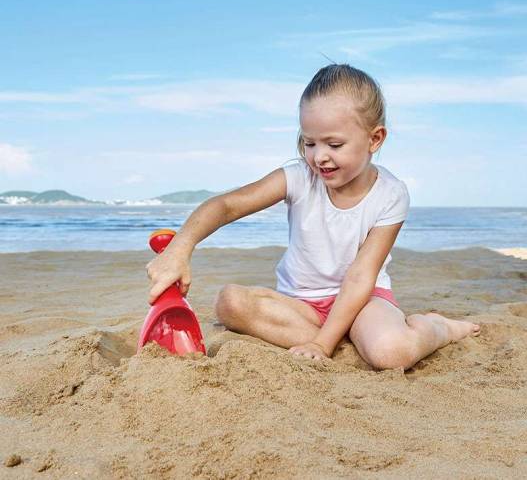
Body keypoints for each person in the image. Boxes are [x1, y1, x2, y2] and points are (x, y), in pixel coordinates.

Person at [145, 64, 481, 370]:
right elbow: (227, 205)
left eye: (334, 144)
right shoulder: (298, 177)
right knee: (229, 302)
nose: (320, 157)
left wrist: (321, 344)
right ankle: (346, 337)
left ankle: (439, 327)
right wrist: (181, 247)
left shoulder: (391, 193)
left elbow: (360, 276)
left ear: (374, 138)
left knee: (391, 353)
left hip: (364, 301)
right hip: (302, 306)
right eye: (309, 143)